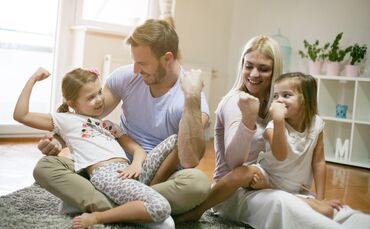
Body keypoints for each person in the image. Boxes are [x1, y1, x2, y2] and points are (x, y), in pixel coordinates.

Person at [176, 35, 370, 229]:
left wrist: (319, 199)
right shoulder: (236, 102)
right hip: (234, 192)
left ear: (275, 71)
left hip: (272, 185)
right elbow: (236, 164)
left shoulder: (278, 106)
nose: (253, 74)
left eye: (263, 68)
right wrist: (248, 118)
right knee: (285, 205)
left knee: (335, 210)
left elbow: (307, 156)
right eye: (248, 65)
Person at [32, 19, 211, 218]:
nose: (135, 69)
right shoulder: (127, 77)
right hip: (109, 165)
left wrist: (192, 99)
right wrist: (59, 139)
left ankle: (103, 203)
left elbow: (189, 159)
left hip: (158, 177)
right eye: (134, 61)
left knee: (198, 184)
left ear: (167, 58)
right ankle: (138, 210)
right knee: (46, 167)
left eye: (142, 63)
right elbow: (88, 117)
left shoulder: (191, 98)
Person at [14, 67, 178, 228]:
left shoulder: (108, 125)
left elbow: (138, 150)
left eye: (99, 92)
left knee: (175, 139)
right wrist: (33, 79)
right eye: (91, 97)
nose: (99, 99)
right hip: (107, 174)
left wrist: (136, 165)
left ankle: (144, 196)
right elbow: (21, 115)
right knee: (161, 207)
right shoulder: (65, 120)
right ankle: (98, 217)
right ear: (72, 103)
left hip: (130, 170)